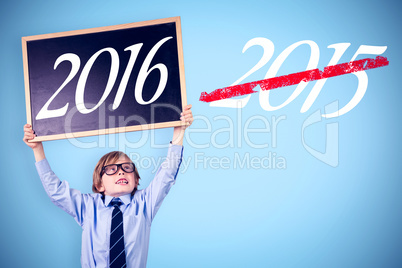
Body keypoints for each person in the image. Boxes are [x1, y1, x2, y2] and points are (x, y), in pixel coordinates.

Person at [23, 104, 193, 268]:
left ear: (135, 181)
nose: (121, 172)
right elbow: (56, 191)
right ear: (99, 185)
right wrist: (37, 149)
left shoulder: (144, 203)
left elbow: (167, 174)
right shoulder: (87, 207)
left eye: (127, 168)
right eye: (111, 169)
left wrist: (179, 130)